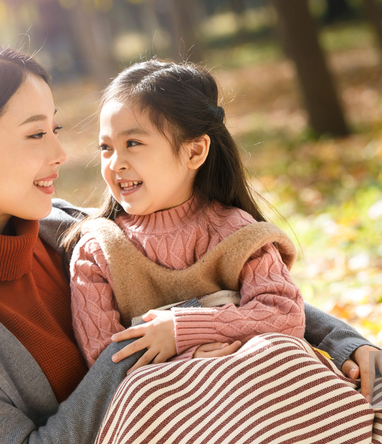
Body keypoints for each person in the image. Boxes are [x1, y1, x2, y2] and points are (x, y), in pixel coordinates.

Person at [0, 42, 382, 444]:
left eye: (55, 128)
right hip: (191, 442)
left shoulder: (62, 227)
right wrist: (173, 330)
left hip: (224, 430)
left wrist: (343, 341)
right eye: (34, 135)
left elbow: (236, 281)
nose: (59, 153)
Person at [67, 59, 305, 374]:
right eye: (106, 148)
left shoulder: (234, 232)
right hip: (169, 412)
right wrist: (188, 362)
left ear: (194, 152)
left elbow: (284, 316)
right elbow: (104, 362)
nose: (115, 163)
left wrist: (181, 330)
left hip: (254, 392)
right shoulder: (98, 252)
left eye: (133, 143)